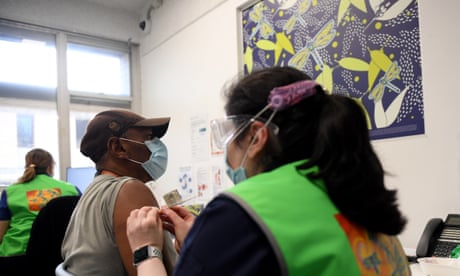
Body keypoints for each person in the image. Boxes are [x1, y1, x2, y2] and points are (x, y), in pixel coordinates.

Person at [126, 66, 411, 275]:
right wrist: (203, 246)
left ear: (256, 137)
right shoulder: (362, 199)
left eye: (228, 135)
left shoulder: (243, 212)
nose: (226, 152)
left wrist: (146, 251)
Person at [61, 109, 177, 276]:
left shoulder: (93, 190)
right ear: (118, 147)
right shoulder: (130, 190)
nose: (157, 145)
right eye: (149, 138)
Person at [0, 148, 80, 256]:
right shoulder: (71, 189)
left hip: (17, 255)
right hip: (59, 255)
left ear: (27, 166)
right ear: (50, 167)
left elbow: (1, 233)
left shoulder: (11, 192)